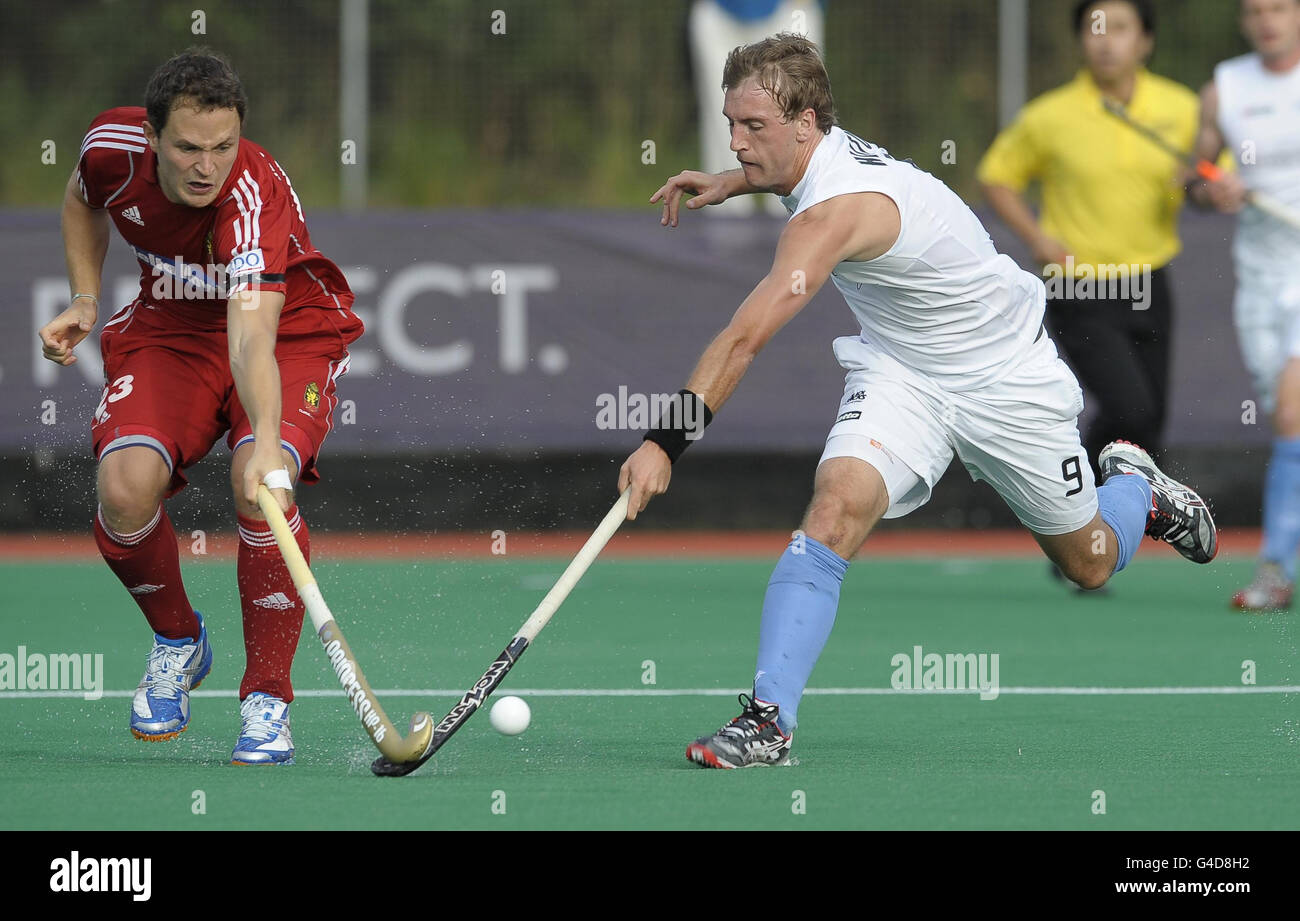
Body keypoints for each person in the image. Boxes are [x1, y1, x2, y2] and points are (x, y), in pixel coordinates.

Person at [618, 34, 1217, 769]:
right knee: (835, 504)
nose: (737, 141)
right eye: (731, 125)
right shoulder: (816, 155)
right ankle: (768, 720)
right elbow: (798, 176)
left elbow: (744, 338)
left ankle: (1136, 490)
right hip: (903, 371)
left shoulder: (829, 217)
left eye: (754, 129)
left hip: (1005, 375)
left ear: (806, 123)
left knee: (1088, 562)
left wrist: (662, 442)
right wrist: (733, 180)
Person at [38, 48, 361, 764]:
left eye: (223, 146)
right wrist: (87, 296)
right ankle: (180, 640)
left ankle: (267, 700)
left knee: (257, 487)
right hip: (171, 330)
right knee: (123, 489)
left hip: (285, 335)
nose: (205, 165)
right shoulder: (108, 148)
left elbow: (252, 340)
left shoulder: (252, 198)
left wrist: (271, 450)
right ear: (152, 136)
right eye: (187, 146)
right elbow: (81, 199)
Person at [977, 0, 1198, 478]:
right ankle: (1067, 510)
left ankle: (1093, 539)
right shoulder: (1050, 115)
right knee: (1131, 412)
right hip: (1080, 287)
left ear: (1145, 41)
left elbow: (1204, 177)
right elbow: (997, 176)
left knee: (1150, 426)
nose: (1105, 40)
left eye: (1120, 28)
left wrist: (1205, 186)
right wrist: (1035, 236)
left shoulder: (1180, 108)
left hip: (1150, 280)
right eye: (1095, 28)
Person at [1191, 0, 1300, 612]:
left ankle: (1275, 570)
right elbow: (1196, 177)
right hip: (1260, 279)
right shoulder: (1224, 89)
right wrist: (1213, 186)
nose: (1268, 20)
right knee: (1291, 418)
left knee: (1292, 415)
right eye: (1255, 10)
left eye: (1279, 7)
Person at [689, 0, 825, 216]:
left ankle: (800, 219)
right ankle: (727, 235)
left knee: (796, 115)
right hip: (719, 11)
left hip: (790, 11)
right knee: (724, 120)